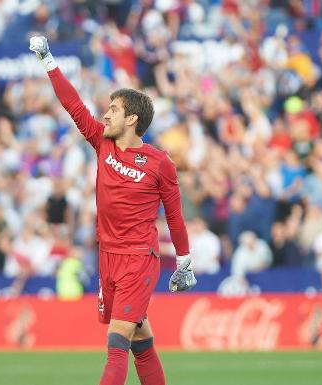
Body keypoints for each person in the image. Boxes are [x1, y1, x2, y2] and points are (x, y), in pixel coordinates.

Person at [29, 36, 196, 385]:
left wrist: (184, 262)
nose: (105, 114)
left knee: (116, 342)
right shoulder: (101, 142)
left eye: (114, 109)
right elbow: (73, 105)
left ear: (132, 118)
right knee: (140, 341)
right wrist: (48, 60)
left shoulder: (160, 163)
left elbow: (175, 215)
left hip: (138, 258)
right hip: (107, 256)